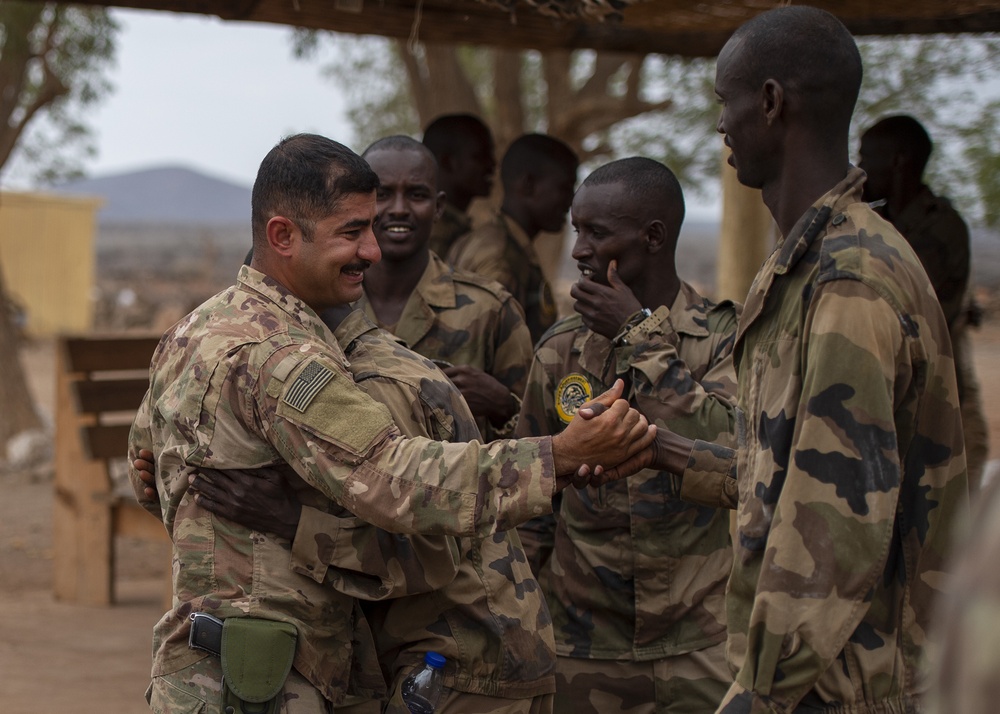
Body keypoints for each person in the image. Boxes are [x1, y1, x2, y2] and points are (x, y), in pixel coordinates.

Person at [128, 133, 655, 714]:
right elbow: (395, 479)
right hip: (262, 682)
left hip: (200, 670)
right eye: (351, 233)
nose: (372, 250)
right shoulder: (285, 359)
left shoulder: (194, 330)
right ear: (283, 236)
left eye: (371, 229)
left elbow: (150, 475)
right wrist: (559, 456)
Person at [616, 7, 969, 712]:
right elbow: (787, 467)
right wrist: (665, 452)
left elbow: (834, 527)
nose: (721, 125)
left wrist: (758, 694)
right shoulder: (805, 267)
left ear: (772, 102)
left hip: (844, 683)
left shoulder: (849, 281)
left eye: (726, 101)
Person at [515, 157, 739, 713]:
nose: (579, 250)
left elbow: (734, 456)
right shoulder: (561, 350)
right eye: (577, 231)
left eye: (597, 233)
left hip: (702, 641)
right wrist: (523, 620)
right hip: (582, 644)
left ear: (653, 236)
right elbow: (532, 496)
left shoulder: (723, 341)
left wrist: (639, 335)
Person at [349, 135, 532, 440]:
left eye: (417, 195)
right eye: (383, 194)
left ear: (438, 207)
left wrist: (503, 407)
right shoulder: (327, 304)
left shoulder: (490, 310)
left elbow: (541, 441)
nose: (398, 209)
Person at [859, 114, 990, 494]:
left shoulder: (942, 227)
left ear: (899, 162)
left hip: (934, 404)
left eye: (867, 157)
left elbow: (904, 311)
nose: (860, 168)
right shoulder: (874, 221)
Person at [447, 133, 579, 343]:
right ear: (528, 184)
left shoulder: (504, 245)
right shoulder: (500, 256)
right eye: (564, 188)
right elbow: (481, 347)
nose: (571, 200)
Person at [422, 113, 497, 258]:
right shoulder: (430, 235)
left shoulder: (450, 226)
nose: (492, 164)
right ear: (447, 162)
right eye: (480, 156)